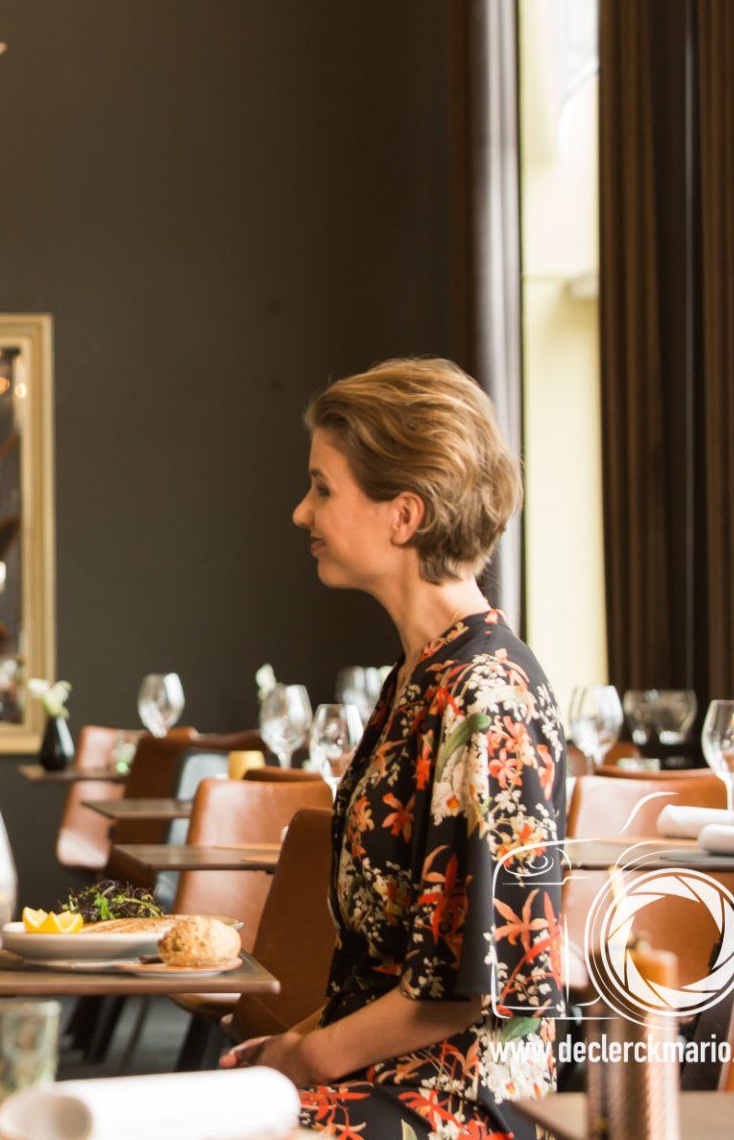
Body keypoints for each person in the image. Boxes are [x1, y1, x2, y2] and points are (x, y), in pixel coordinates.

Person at [223, 357, 565, 1140]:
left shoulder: (483, 695)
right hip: (385, 1078)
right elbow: (391, 971)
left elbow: (463, 990)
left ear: (404, 515)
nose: (300, 513)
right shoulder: (420, 675)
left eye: (323, 489)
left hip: (459, 1106)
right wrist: (293, 1046)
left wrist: (304, 1059)